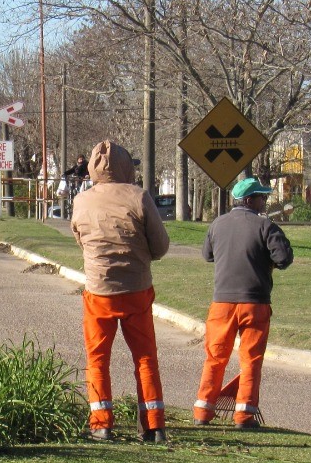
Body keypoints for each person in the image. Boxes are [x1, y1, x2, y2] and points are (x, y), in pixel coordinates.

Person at [70, 140, 170, 442]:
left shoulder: (81, 201)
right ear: (126, 167)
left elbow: (80, 238)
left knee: (98, 358)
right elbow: (161, 245)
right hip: (137, 289)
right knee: (144, 358)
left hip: (98, 290)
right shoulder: (138, 197)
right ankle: (153, 426)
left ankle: (101, 423)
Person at [193, 177, 293, 430]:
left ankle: (203, 411)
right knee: (250, 360)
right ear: (249, 200)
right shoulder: (265, 226)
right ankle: (244, 416)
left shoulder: (218, 224)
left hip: (222, 303)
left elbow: (207, 255)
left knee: (215, 358)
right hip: (255, 303)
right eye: (261, 197)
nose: (264, 201)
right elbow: (283, 259)